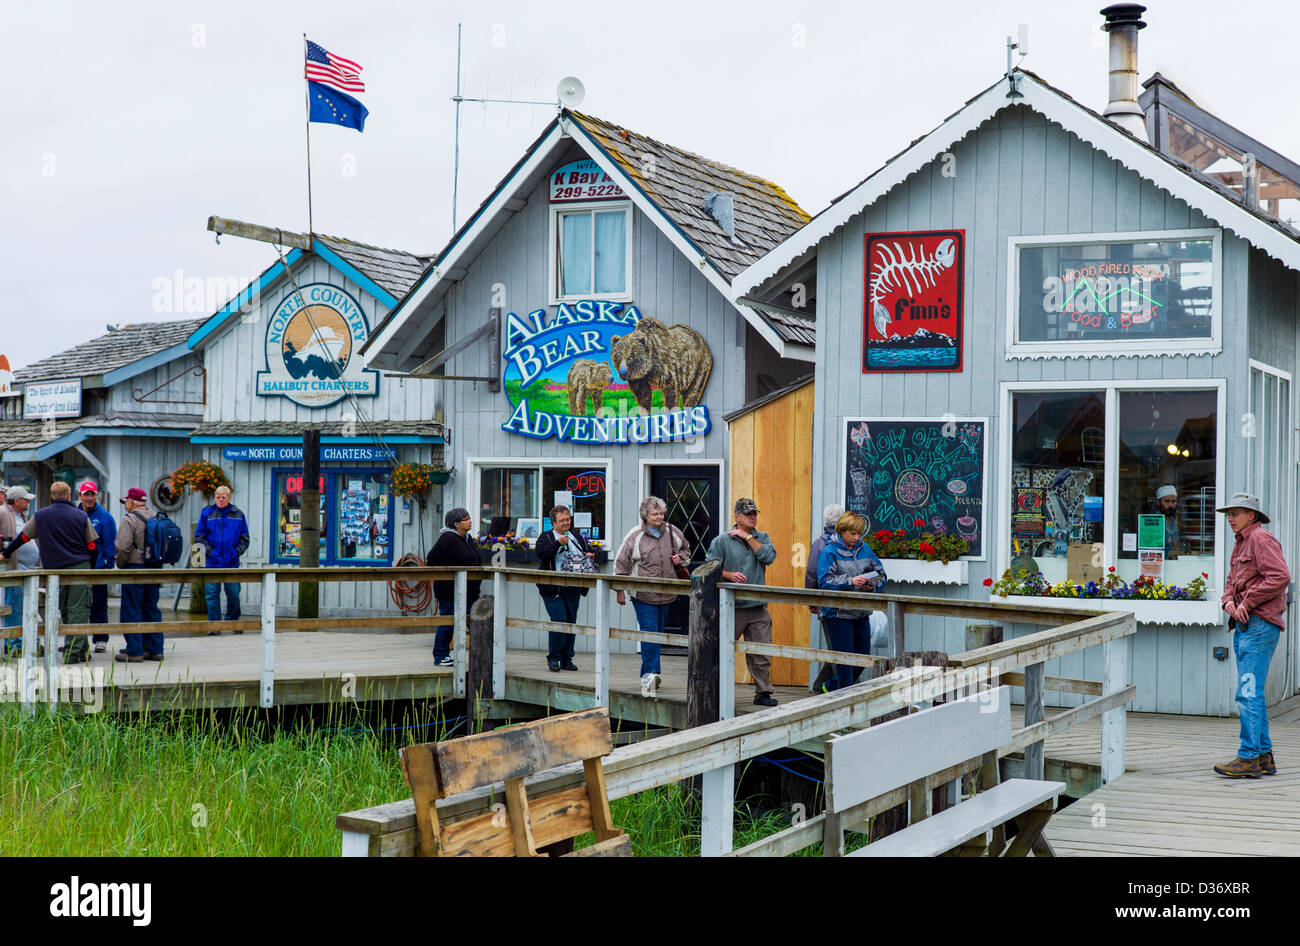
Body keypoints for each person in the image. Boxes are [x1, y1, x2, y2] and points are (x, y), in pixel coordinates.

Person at [1213, 493, 1290, 779]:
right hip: (1247, 625)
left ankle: (1248, 757)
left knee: (1247, 693)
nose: (1230, 519)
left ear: (1252, 515)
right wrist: (1227, 603)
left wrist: (1246, 602)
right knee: (1251, 692)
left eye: (1236, 513)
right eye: (1228, 514)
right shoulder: (1241, 542)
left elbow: (1280, 576)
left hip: (1258, 625)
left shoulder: (1260, 538)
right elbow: (1231, 581)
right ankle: (1263, 756)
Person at [0, 480, 99, 663]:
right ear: (68, 495)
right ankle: (72, 653)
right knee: (78, 609)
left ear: (52, 497)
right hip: (79, 566)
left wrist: (5, 553)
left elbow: (22, 538)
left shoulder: (41, 516)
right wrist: (90, 565)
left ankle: (82, 650)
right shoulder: (80, 516)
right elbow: (92, 545)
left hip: (54, 569)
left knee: (64, 608)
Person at [614, 495, 691, 698]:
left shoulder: (673, 531)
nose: (660, 517)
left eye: (662, 513)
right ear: (645, 515)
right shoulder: (635, 535)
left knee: (657, 634)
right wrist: (619, 590)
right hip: (643, 594)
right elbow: (621, 562)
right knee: (650, 633)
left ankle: (647, 675)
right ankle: (651, 673)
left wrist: (681, 559)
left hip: (668, 594)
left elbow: (686, 549)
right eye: (655, 514)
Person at [706, 498, 779, 707]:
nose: (752, 517)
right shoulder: (722, 540)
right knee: (721, 650)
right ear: (736, 517)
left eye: (754, 513)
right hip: (731, 607)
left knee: (761, 652)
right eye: (748, 514)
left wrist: (747, 537)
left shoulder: (762, 537)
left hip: (758, 607)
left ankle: (763, 692)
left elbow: (768, 557)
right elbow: (709, 567)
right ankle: (714, 690)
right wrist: (729, 575)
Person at [815, 511, 889, 692]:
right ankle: (843, 700)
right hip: (838, 614)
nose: (856, 538)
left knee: (863, 658)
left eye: (859, 534)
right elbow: (825, 582)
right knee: (845, 663)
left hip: (861, 612)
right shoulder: (829, 552)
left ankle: (830, 687)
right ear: (841, 531)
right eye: (852, 533)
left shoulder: (865, 549)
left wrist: (872, 584)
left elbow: (881, 574)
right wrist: (851, 581)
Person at [534, 505, 594, 672]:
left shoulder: (577, 536)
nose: (566, 523)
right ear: (554, 523)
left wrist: (590, 554)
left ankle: (567, 658)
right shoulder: (546, 537)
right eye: (562, 520)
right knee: (559, 621)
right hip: (553, 587)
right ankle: (554, 657)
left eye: (568, 519)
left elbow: (588, 551)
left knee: (571, 623)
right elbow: (541, 554)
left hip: (573, 587)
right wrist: (557, 544)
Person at [426, 507, 481, 668]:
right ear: (456, 524)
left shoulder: (468, 539)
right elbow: (432, 560)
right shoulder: (447, 539)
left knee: (475, 622)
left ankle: (481, 655)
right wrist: (448, 575)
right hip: (450, 592)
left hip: (469, 592)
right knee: (447, 623)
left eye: (469, 518)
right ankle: (440, 655)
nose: (470, 521)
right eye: (466, 519)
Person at [115, 487, 163, 662]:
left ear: (132, 502)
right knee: (151, 608)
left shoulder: (130, 519)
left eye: (126, 502)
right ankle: (155, 649)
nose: (125, 505)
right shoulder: (155, 517)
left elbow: (122, 546)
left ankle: (135, 650)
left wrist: (120, 564)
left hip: (134, 568)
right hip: (154, 568)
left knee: (132, 609)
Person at [194, 485, 250, 634]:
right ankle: (214, 626)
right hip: (212, 563)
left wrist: (235, 553)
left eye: (223, 497)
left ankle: (233, 622)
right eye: (217, 497)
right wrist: (210, 552)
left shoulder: (238, 514)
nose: (220, 499)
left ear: (229, 498)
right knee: (212, 595)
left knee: (233, 595)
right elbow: (199, 537)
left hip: (231, 563)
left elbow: (245, 538)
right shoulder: (207, 513)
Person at [78, 482, 116, 654]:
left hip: (97, 569)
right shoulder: (74, 514)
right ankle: (78, 640)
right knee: (77, 606)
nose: (89, 498)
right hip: (78, 568)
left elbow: (109, 545)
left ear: (97, 496)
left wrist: (107, 564)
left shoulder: (105, 518)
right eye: (86, 494)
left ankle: (100, 638)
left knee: (99, 605)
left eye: (92, 494)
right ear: (79, 496)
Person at [1, 486, 38, 658]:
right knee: (14, 607)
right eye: (25, 499)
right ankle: (13, 643)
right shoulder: (3, 513)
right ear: (16, 501)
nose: (28, 502)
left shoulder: (20, 516)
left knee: (25, 607)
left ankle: (25, 641)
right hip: (15, 568)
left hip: (25, 568)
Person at [1156, 484, 1182, 559]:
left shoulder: (1173, 520)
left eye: (1173, 501)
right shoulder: (1155, 521)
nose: (1170, 505)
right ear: (1158, 502)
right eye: (1166, 501)